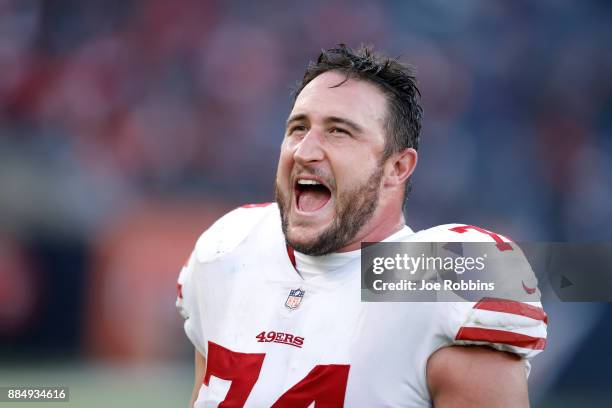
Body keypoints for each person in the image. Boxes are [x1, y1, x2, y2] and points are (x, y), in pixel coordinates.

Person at [176, 44, 547, 407]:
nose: (305, 151)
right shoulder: (231, 248)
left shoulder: (438, 278)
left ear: (396, 168)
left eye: (339, 131)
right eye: (298, 128)